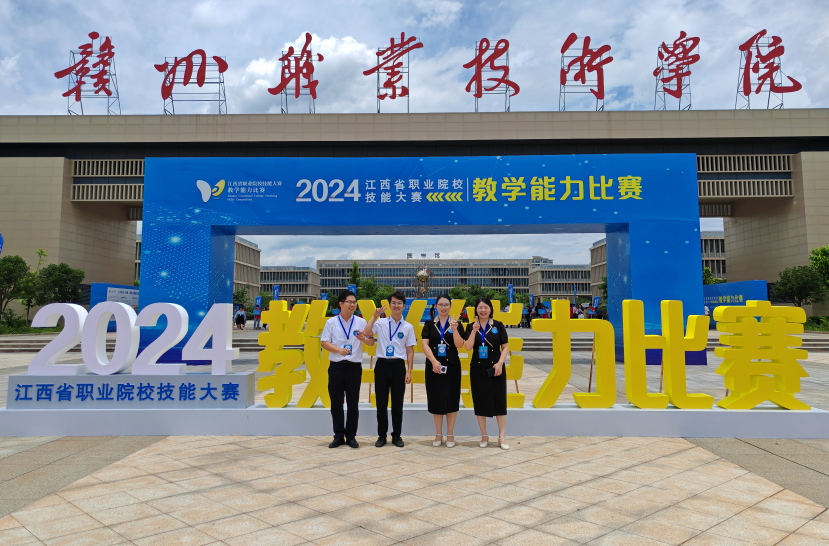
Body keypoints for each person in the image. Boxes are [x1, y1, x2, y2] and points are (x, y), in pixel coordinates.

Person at [321, 290, 373, 449]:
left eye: (354, 302)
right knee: (336, 402)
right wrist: (338, 350)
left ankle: (351, 436)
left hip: (354, 367)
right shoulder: (331, 322)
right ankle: (338, 435)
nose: (352, 305)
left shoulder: (360, 322)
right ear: (341, 304)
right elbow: (324, 342)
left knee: (353, 403)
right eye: (349, 302)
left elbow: (371, 342)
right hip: (336, 366)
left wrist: (363, 339)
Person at [363, 291, 416, 448]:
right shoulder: (381, 323)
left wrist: (409, 371)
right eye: (393, 302)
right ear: (389, 305)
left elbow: (410, 350)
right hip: (382, 365)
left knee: (397, 403)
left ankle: (397, 436)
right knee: (381, 402)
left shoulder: (408, 327)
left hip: (399, 366)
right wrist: (374, 316)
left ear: (404, 306)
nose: (396, 305)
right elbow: (366, 332)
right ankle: (381, 436)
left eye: (399, 303)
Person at [463, 297, 510, 450]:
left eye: (486, 307)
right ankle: (484, 435)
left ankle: (502, 437)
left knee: (500, 401)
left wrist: (500, 363)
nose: (483, 310)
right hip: (478, 369)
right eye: (480, 307)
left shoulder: (498, 325)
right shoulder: (470, 326)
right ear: (476, 310)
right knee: (480, 401)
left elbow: (505, 347)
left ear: (490, 309)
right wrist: (474, 331)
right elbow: (467, 347)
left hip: (496, 368)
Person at [421, 294, 464, 448]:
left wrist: (455, 330)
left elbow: (459, 345)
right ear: (436, 306)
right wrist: (433, 361)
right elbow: (424, 344)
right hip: (434, 366)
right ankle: (438, 434)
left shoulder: (456, 324)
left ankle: (450, 434)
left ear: (450, 306)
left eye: (446, 304)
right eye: (441, 304)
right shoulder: (429, 324)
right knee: (436, 399)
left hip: (452, 366)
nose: (443, 307)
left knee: (452, 399)